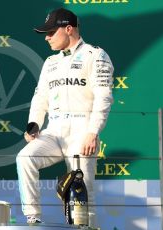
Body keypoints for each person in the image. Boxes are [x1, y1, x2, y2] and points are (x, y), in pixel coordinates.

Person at [16, 8, 114, 226]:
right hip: (54, 129)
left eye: (51, 32)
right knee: (25, 158)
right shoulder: (50, 62)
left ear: (68, 29)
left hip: (82, 130)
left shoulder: (96, 55)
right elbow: (40, 97)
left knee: (83, 196)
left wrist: (93, 132)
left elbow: (104, 97)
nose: (47, 38)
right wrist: (33, 124)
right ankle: (33, 219)